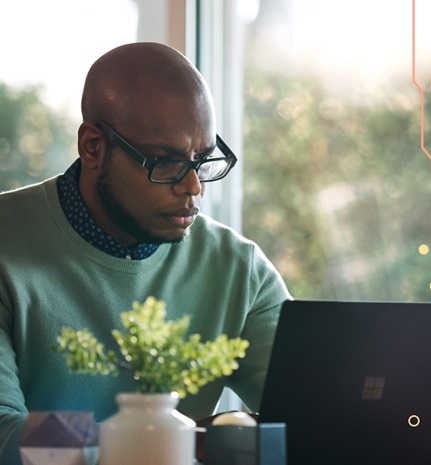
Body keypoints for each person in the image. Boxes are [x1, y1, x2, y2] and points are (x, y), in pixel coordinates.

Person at [0, 42, 291, 464]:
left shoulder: (238, 269)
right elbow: (5, 433)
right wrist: (169, 439)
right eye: (166, 163)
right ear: (93, 147)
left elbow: (312, 414)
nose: (193, 187)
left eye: (204, 160)